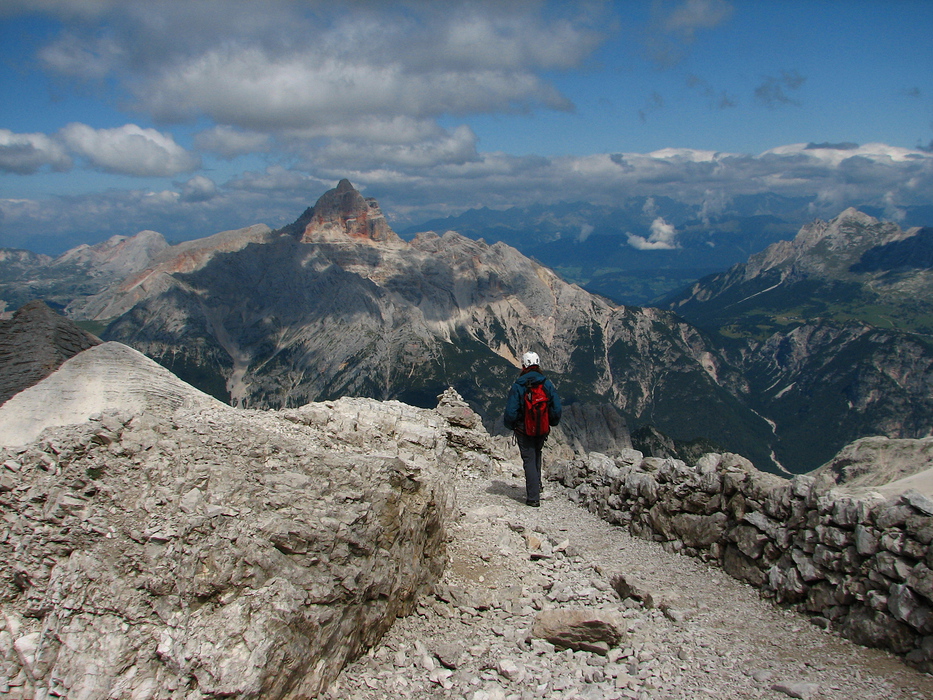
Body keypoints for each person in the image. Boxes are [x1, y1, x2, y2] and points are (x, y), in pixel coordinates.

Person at [503, 351, 562, 507]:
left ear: (523, 366)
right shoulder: (546, 383)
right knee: (537, 454)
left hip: (523, 429)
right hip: (542, 428)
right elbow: (556, 407)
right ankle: (538, 485)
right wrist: (552, 422)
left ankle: (533, 498)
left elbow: (511, 411)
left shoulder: (518, 385)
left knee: (529, 459)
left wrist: (511, 425)